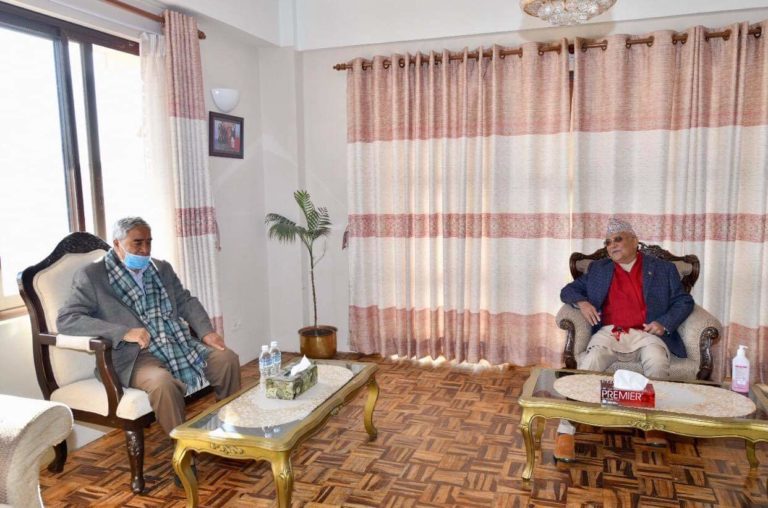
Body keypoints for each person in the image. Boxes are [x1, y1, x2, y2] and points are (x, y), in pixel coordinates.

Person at [57, 217, 241, 438]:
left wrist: (206, 332)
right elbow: (67, 319)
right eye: (137, 243)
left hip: (176, 342)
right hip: (133, 356)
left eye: (148, 242)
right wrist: (123, 332)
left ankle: (228, 429)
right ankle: (184, 448)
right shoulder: (93, 276)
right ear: (117, 244)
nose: (145, 249)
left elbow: (185, 301)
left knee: (226, 359)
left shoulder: (161, 268)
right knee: (162, 383)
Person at [555, 217, 694, 461]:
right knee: (590, 363)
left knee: (657, 362)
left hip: (646, 333)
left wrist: (664, 323)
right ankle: (567, 429)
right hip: (610, 332)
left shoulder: (663, 269)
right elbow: (568, 290)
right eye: (608, 242)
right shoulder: (598, 269)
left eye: (617, 239)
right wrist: (582, 302)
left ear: (634, 241)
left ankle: (653, 424)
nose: (612, 246)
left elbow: (684, 301)